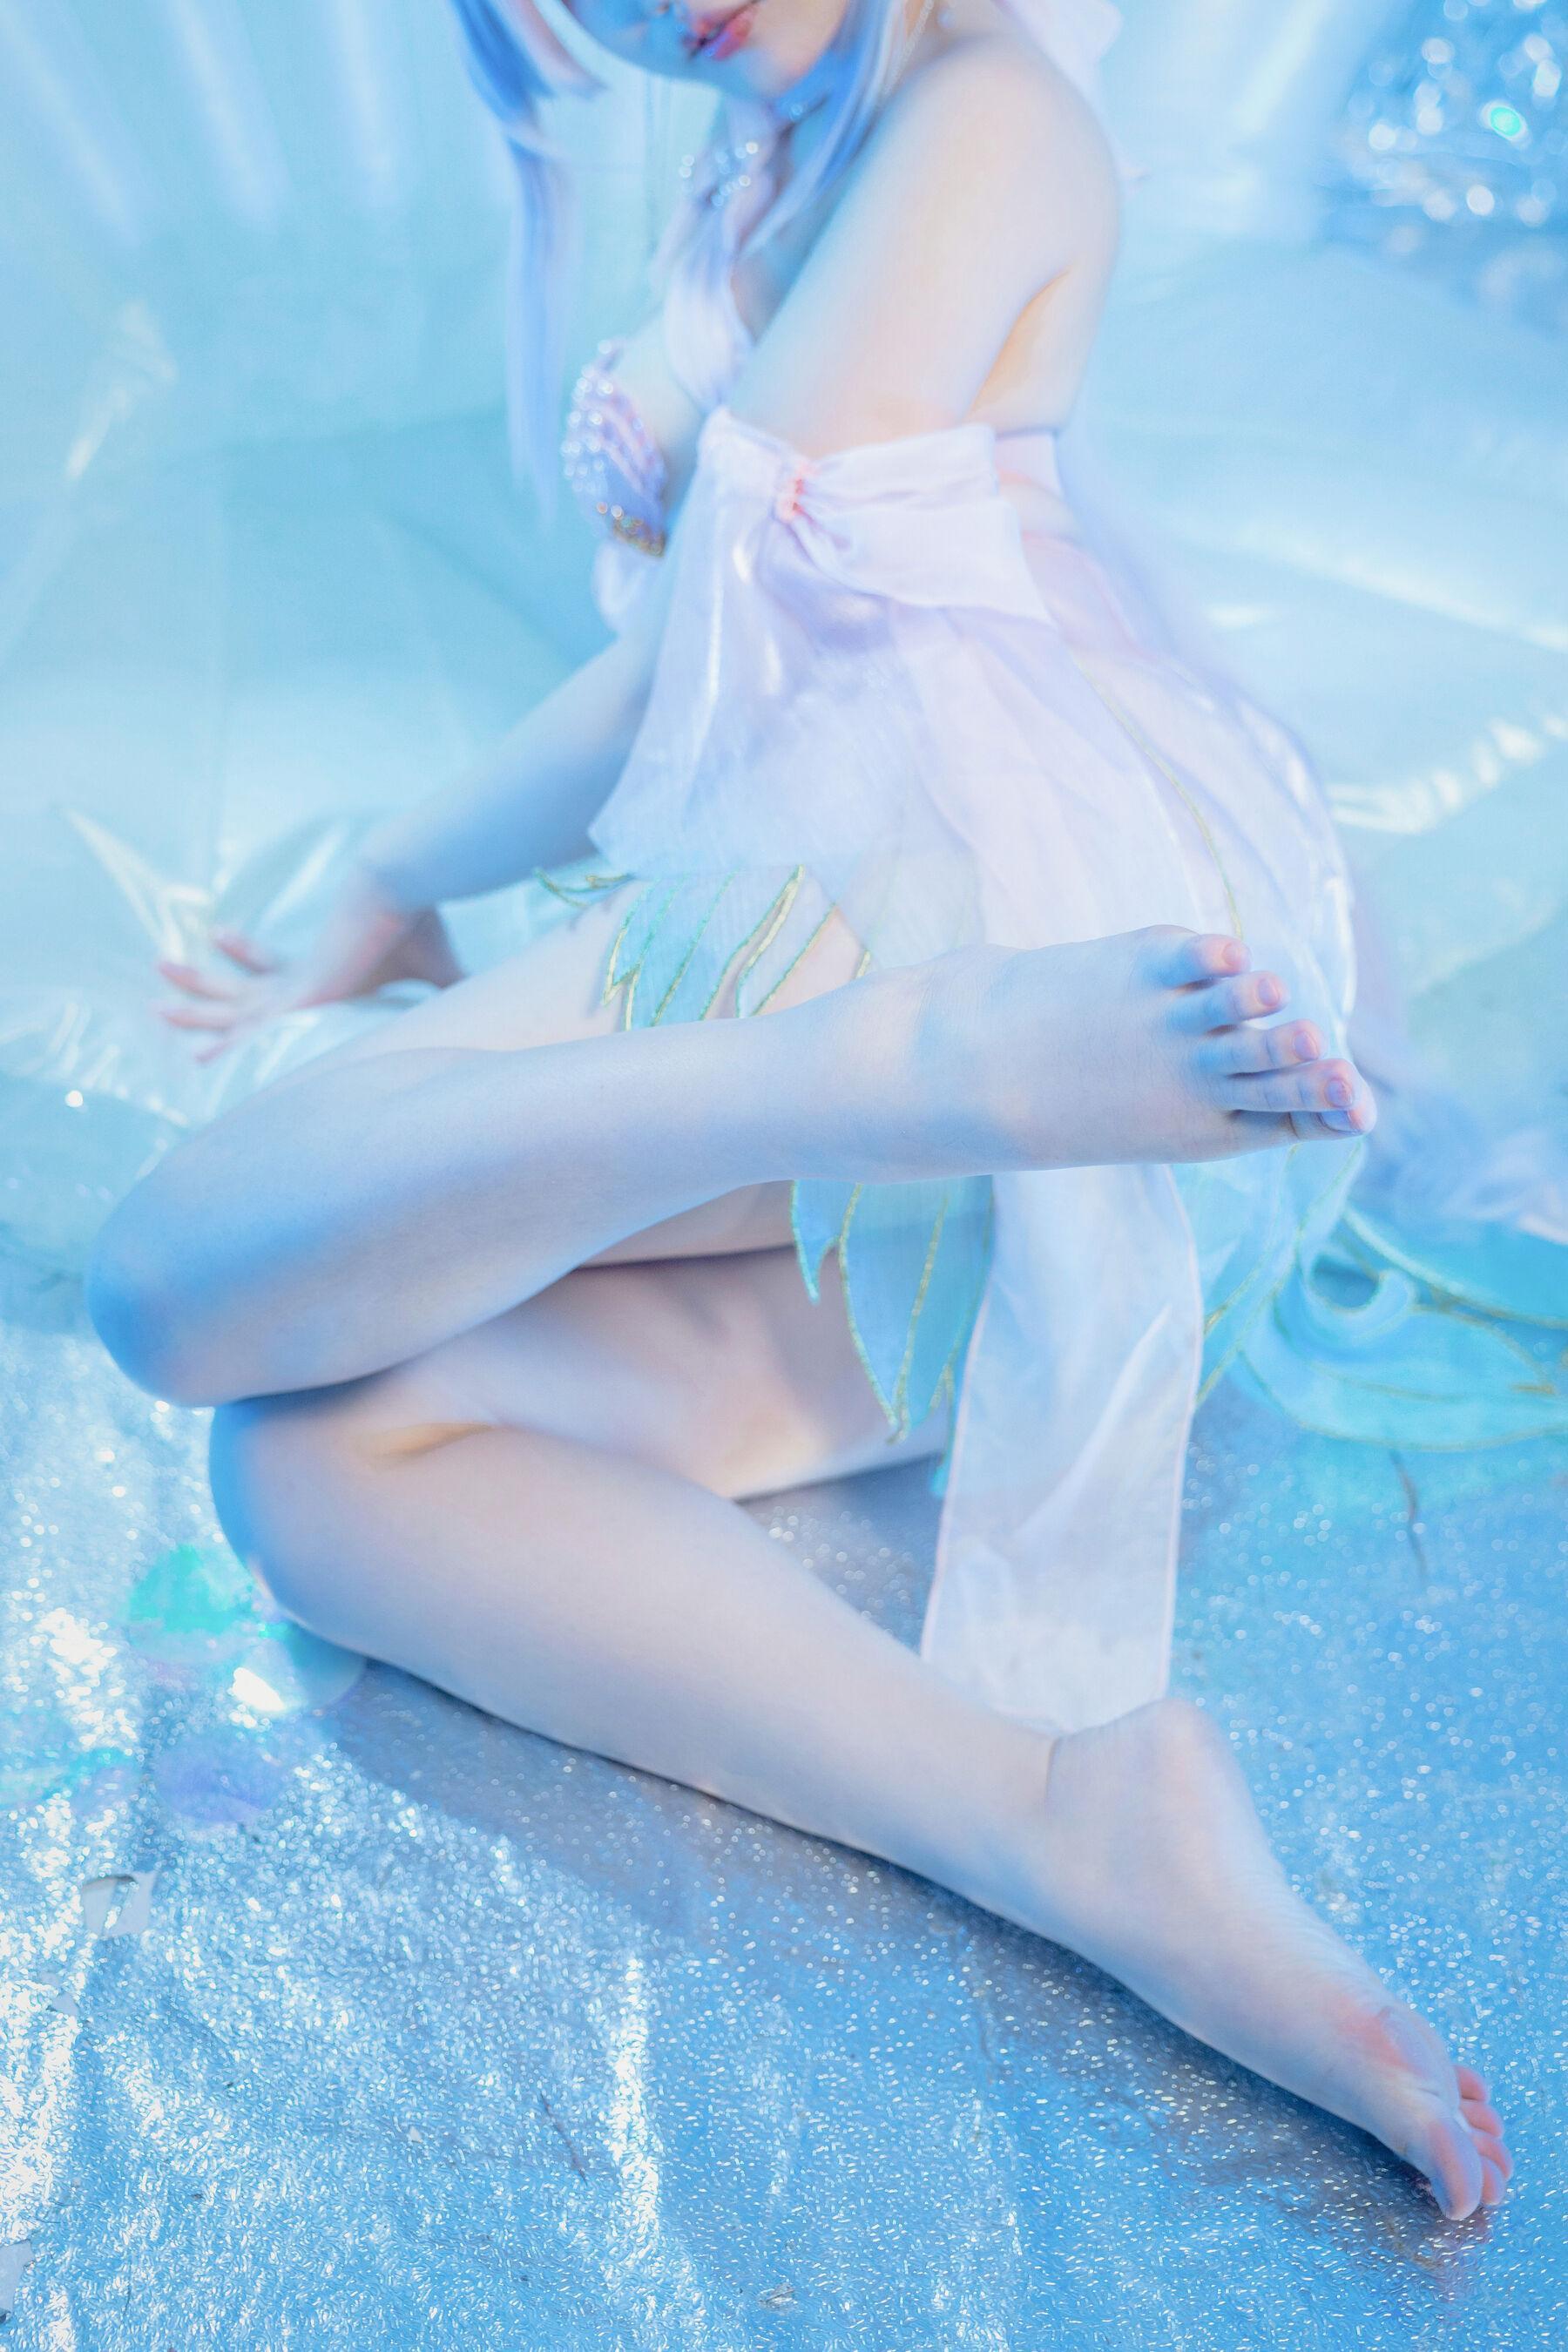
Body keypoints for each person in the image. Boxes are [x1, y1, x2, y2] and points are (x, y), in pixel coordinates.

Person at [83, 0, 1511, 2218]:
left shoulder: (980, 112)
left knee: (174, 1284)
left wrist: (392, 872)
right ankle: (1052, 1813)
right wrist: (408, 885)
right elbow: (698, 636)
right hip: (985, 1127)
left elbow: (682, 660)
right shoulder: (772, 145)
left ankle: (892, 1069)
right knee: (308, 1466)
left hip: (974, 873)